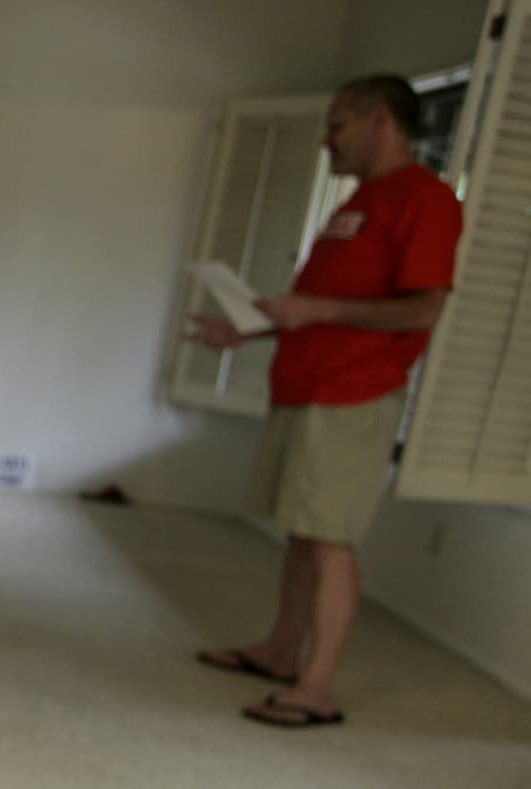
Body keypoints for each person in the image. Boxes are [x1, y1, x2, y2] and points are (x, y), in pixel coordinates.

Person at [191, 74, 462, 728]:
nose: (326, 140)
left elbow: (423, 308)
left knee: (330, 539)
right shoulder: (358, 203)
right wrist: (252, 329)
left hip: (354, 394)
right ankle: (281, 652)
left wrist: (317, 309)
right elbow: (323, 307)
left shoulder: (425, 199)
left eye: (337, 126)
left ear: (381, 123)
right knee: (302, 529)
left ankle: (316, 689)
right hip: (305, 383)